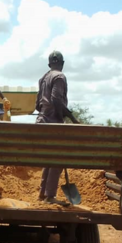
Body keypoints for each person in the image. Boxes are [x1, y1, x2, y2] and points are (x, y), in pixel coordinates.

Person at [35, 50, 80, 205]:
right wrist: (71, 118)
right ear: (62, 63)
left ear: (49, 64)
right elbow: (56, 99)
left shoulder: (43, 78)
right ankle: (49, 196)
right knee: (58, 158)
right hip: (52, 123)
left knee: (50, 158)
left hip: (41, 122)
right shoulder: (60, 76)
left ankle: (43, 193)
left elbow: (37, 104)